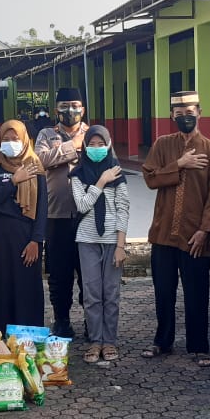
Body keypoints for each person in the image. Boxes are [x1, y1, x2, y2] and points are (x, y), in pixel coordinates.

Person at [141, 91, 210, 367]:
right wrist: (179, 164)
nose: (185, 117)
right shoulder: (162, 145)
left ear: (199, 112)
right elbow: (150, 178)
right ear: (171, 116)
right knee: (163, 291)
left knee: (197, 292)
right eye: (179, 113)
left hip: (195, 236)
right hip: (163, 233)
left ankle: (199, 346)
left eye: (189, 112)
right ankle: (162, 341)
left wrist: (206, 231)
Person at [70, 125, 130, 363]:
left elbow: (123, 208)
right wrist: (101, 183)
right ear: (84, 146)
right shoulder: (77, 174)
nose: (96, 148)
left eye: (100, 143)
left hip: (112, 241)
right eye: (91, 144)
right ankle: (95, 340)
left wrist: (121, 245)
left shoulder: (117, 172)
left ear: (108, 144)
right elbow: (82, 205)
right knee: (92, 294)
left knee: (111, 293)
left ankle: (110, 341)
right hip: (87, 241)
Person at [35, 87, 90, 338]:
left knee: (88, 272)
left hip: (87, 215)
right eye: (65, 105)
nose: (71, 110)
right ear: (56, 108)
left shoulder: (94, 134)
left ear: (83, 109)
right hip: (56, 215)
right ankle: (62, 320)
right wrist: (72, 147)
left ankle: (92, 319)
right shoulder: (47, 134)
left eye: (75, 105)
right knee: (58, 273)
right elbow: (40, 161)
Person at [0, 120, 48, 334]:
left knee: (26, 288)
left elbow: (42, 208)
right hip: (1, 237)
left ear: (24, 140)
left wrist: (36, 241)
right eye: (6, 139)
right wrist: (13, 181)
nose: (11, 143)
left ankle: (28, 340)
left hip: (26, 237)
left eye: (15, 139)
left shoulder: (35, 167)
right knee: (1, 287)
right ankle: (1, 337)